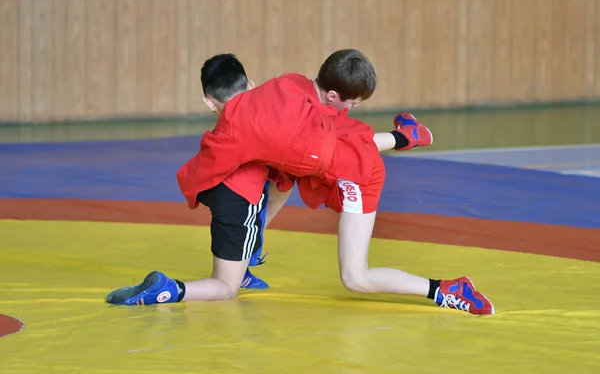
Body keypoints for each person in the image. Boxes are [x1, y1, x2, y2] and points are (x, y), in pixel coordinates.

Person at [106, 50, 494, 315]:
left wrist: (194, 186)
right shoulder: (285, 84)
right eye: (350, 102)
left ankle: (445, 289)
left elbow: (346, 151)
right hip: (332, 156)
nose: (349, 109)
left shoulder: (279, 111)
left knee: (355, 278)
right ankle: (404, 137)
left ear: (211, 102)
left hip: (360, 177)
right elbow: (328, 147)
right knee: (284, 174)